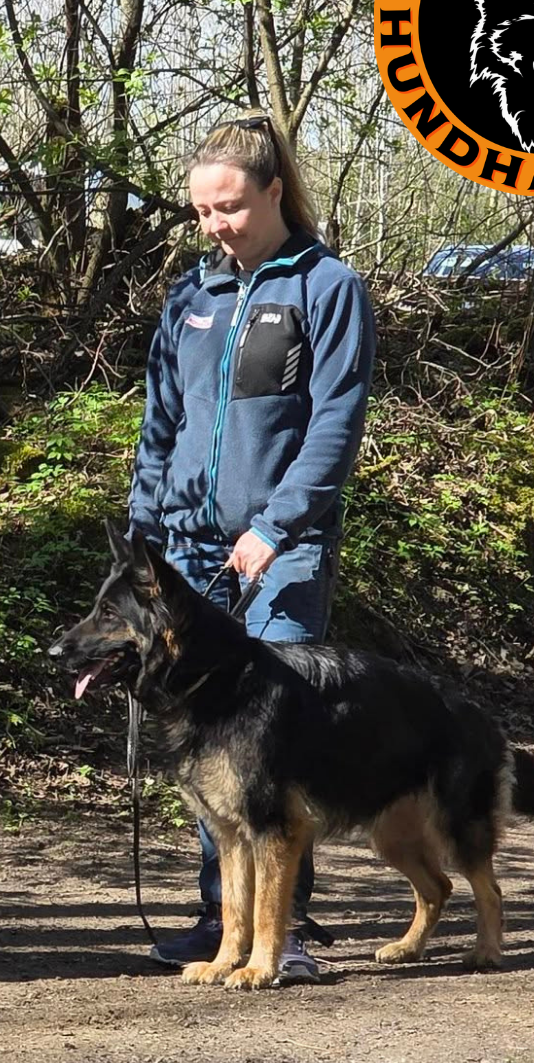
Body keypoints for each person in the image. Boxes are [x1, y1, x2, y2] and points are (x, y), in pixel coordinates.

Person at [125, 111, 375, 983]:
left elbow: (336, 422)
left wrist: (277, 525)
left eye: (230, 206)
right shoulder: (191, 298)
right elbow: (162, 423)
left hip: (283, 548)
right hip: (185, 552)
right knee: (207, 739)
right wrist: (142, 532)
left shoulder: (328, 287)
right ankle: (219, 921)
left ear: (275, 192)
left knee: (272, 746)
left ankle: (285, 932)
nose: (215, 224)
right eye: (201, 211)